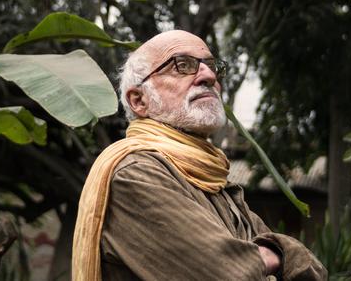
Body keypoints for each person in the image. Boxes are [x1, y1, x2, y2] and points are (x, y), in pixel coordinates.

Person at [72, 30, 327, 281]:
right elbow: (228, 274)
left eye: (211, 66)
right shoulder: (135, 172)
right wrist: (281, 256)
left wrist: (271, 259)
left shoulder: (212, 176)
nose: (208, 75)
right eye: (182, 65)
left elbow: (313, 271)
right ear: (139, 101)